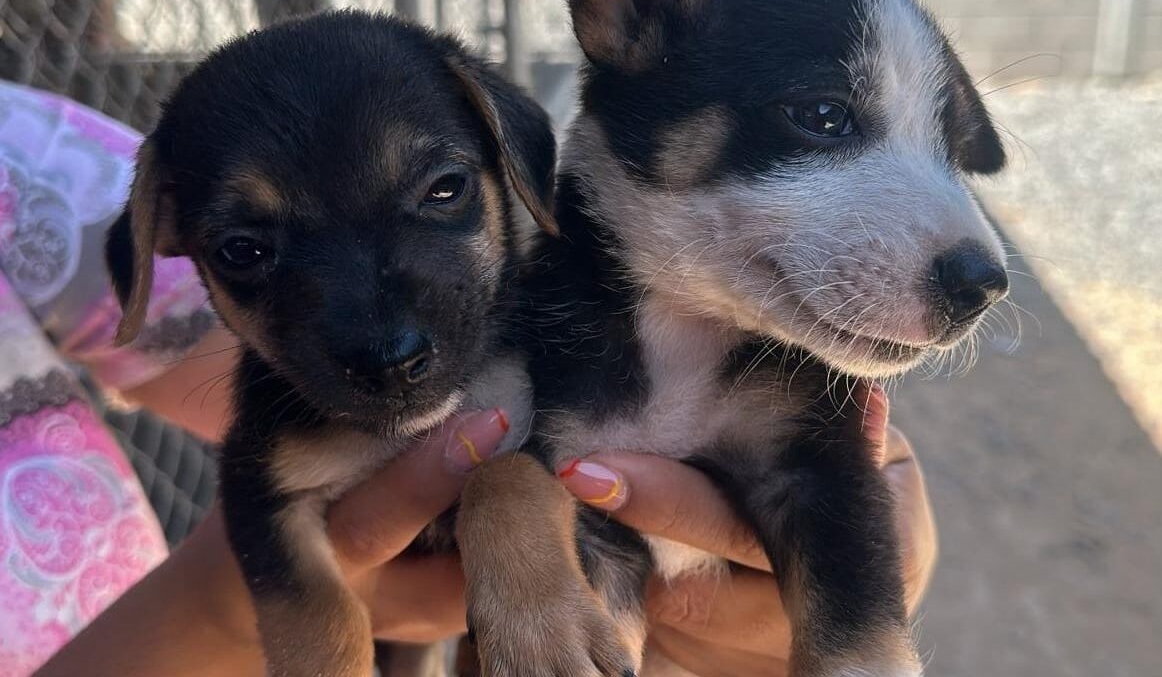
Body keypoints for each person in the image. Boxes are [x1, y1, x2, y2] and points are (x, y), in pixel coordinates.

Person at [0, 81, 936, 677]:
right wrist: (236, 618)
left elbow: (580, 484)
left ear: (513, 168)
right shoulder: (289, 426)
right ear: (171, 248)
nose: (387, 341)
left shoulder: (21, 176)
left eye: (442, 194)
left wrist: (831, 542)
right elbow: (271, 505)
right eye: (248, 251)